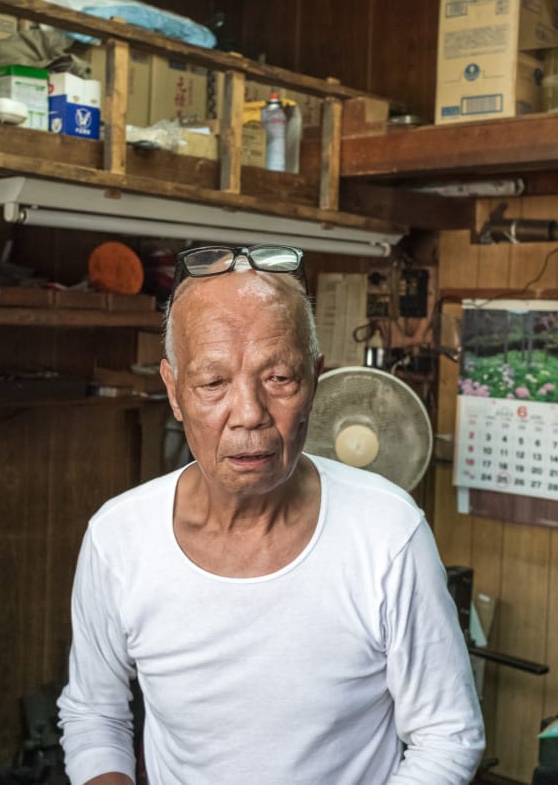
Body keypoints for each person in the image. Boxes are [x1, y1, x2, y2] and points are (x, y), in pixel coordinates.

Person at [57, 244, 485, 784]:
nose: (250, 415)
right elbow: (94, 714)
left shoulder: (387, 534)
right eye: (212, 383)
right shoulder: (118, 539)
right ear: (173, 390)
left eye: (279, 377)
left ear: (316, 378)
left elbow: (448, 734)